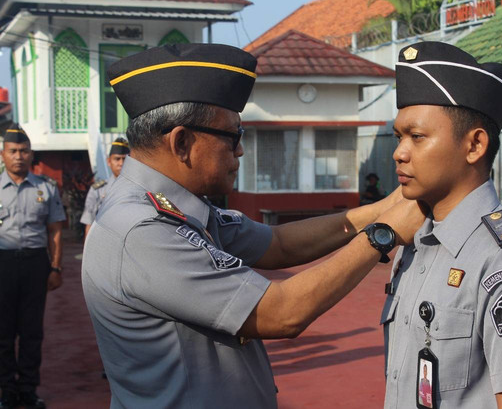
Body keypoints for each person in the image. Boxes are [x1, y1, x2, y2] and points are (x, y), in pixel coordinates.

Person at [81, 43, 426, 408]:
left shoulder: (182, 206)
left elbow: (278, 244)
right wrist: (382, 236)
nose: (241, 151)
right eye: (233, 137)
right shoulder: (141, 229)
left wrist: (385, 208)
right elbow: (281, 313)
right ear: (182, 142)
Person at [381, 42, 502, 409]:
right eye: (399, 137)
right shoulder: (416, 242)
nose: (400, 152)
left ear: (475, 145)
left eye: (416, 137)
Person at [0, 123, 66, 409]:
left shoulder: (46, 188)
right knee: (2, 332)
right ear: (3, 154)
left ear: (31, 154)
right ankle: (6, 390)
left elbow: (55, 231)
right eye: (13, 151)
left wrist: (55, 268)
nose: (19, 156)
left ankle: (27, 388)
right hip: (2, 264)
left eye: (24, 151)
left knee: (31, 331)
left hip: (35, 264)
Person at [80, 138, 129, 236]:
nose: (121, 163)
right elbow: (89, 223)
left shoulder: (140, 188)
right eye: (117, 159)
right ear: (109, 161)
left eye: (125, 159)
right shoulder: (98, 190)